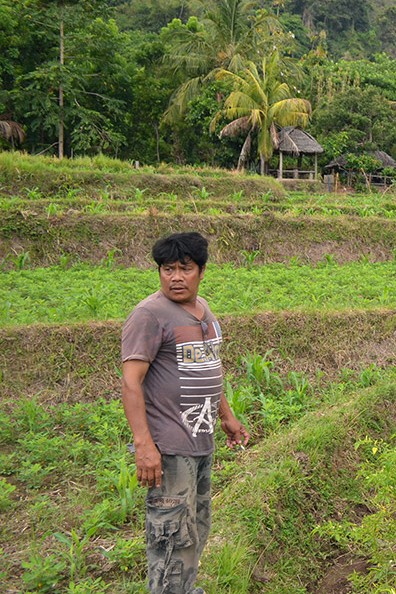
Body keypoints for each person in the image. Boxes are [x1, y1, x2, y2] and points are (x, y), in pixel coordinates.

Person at [121, 232, 249, 594]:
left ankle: (185, 588)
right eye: (167, 269)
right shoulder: (149, 315)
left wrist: (225, 414)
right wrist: (144, 445)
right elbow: (131, 382)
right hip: (170, 447)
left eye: (185, 269)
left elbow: (209, 365)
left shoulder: (203, 309)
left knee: (196, 527)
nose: (176, 277)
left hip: (201, 438)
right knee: (171, 535)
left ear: (201, 271)